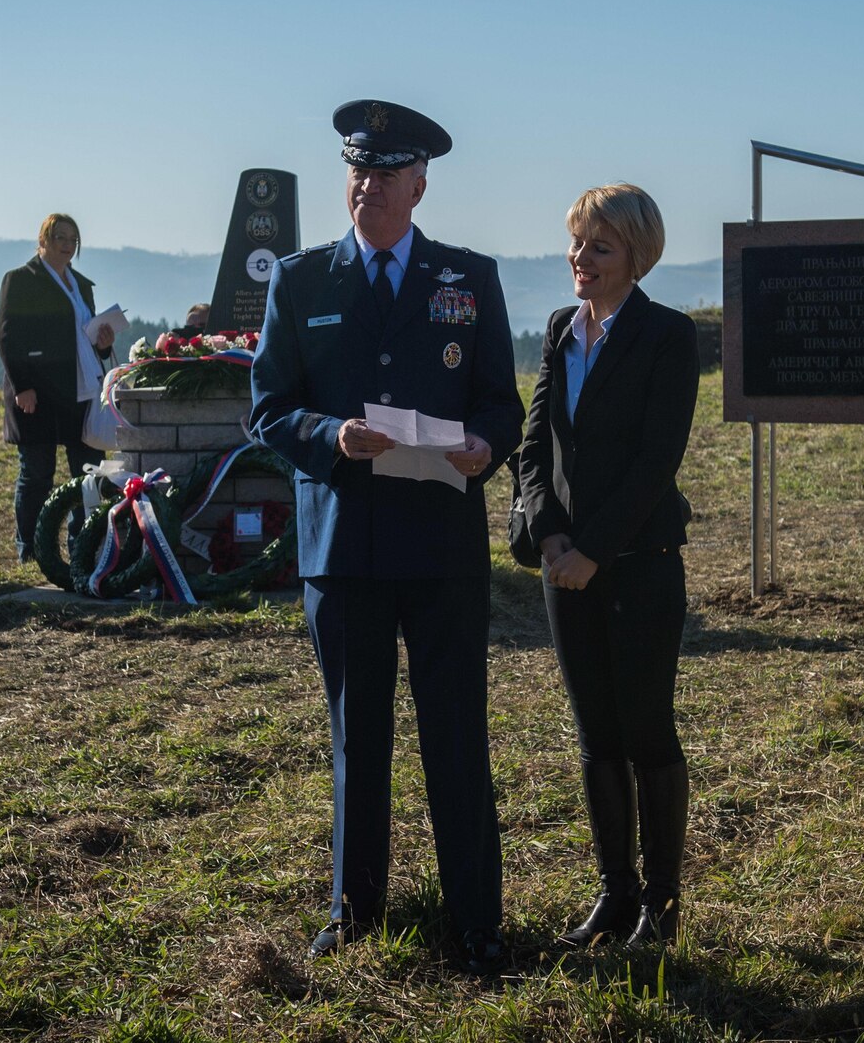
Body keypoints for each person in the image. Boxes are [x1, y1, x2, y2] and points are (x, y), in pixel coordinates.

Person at [250, 99, 524, 972]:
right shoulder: (301, 282)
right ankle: (353, 909)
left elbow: (499, 403)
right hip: (345, 548)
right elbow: (268, 409)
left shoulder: (467, 277)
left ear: (419, 183)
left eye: (384, 173)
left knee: (455, 734)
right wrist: (329, 438)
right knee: (354, 736)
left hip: (441, 542)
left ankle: (475, 919)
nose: (366, 185)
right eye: (356, 171)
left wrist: (488, 443)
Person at [517, 184, 699, 949]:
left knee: (646, 732)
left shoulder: (668, 336)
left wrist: (596, 550)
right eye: (577, 243)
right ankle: (614, 897)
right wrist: (550, 537)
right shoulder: (562, 330)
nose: (580, 260)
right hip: (566, 571)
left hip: (640, 566)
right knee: (595, 737)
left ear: (636, 257)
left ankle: (661, 904)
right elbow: (533, 450)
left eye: (600, 247)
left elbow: (658, 460)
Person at [0, 213, 117, 563]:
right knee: (37, 474)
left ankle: (83, 546)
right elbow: (7, 335)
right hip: (37, 392)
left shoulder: (81, 284)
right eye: (60, 237)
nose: (67, 245)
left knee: (87, 474)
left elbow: (90, 340)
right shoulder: (21, 280)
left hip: (79, 391)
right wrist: (22, 386)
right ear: (44, 239)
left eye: (73, 240)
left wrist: (104, 341)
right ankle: (31, 550)